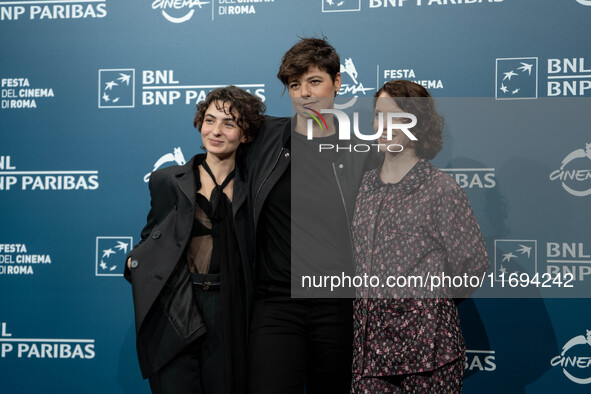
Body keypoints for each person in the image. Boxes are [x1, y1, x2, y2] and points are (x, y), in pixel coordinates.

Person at [246, 37, 380, 394]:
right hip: (275, 304)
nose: (304, 93)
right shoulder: (263, 139)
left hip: (337, 306)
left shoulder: (362, 152)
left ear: (337, 82)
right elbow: (212, 157)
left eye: (314, 81)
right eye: (294, 85)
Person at [351, 80, 490, 392]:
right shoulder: (361, 187)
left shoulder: (441, 189)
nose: (382, 126)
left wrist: (428, 306)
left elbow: (473, 263)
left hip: (430, 356)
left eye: (396, 117)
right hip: (368, 356)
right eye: (377, 116)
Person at [124, 86, 265, 394]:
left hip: (232, 310)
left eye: (229, 123)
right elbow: (152, 239)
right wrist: (135, 263)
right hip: (179, 306)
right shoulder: (167, 181)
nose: (215, 131)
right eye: (210, 120)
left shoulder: (256, 187)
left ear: (246, 134)